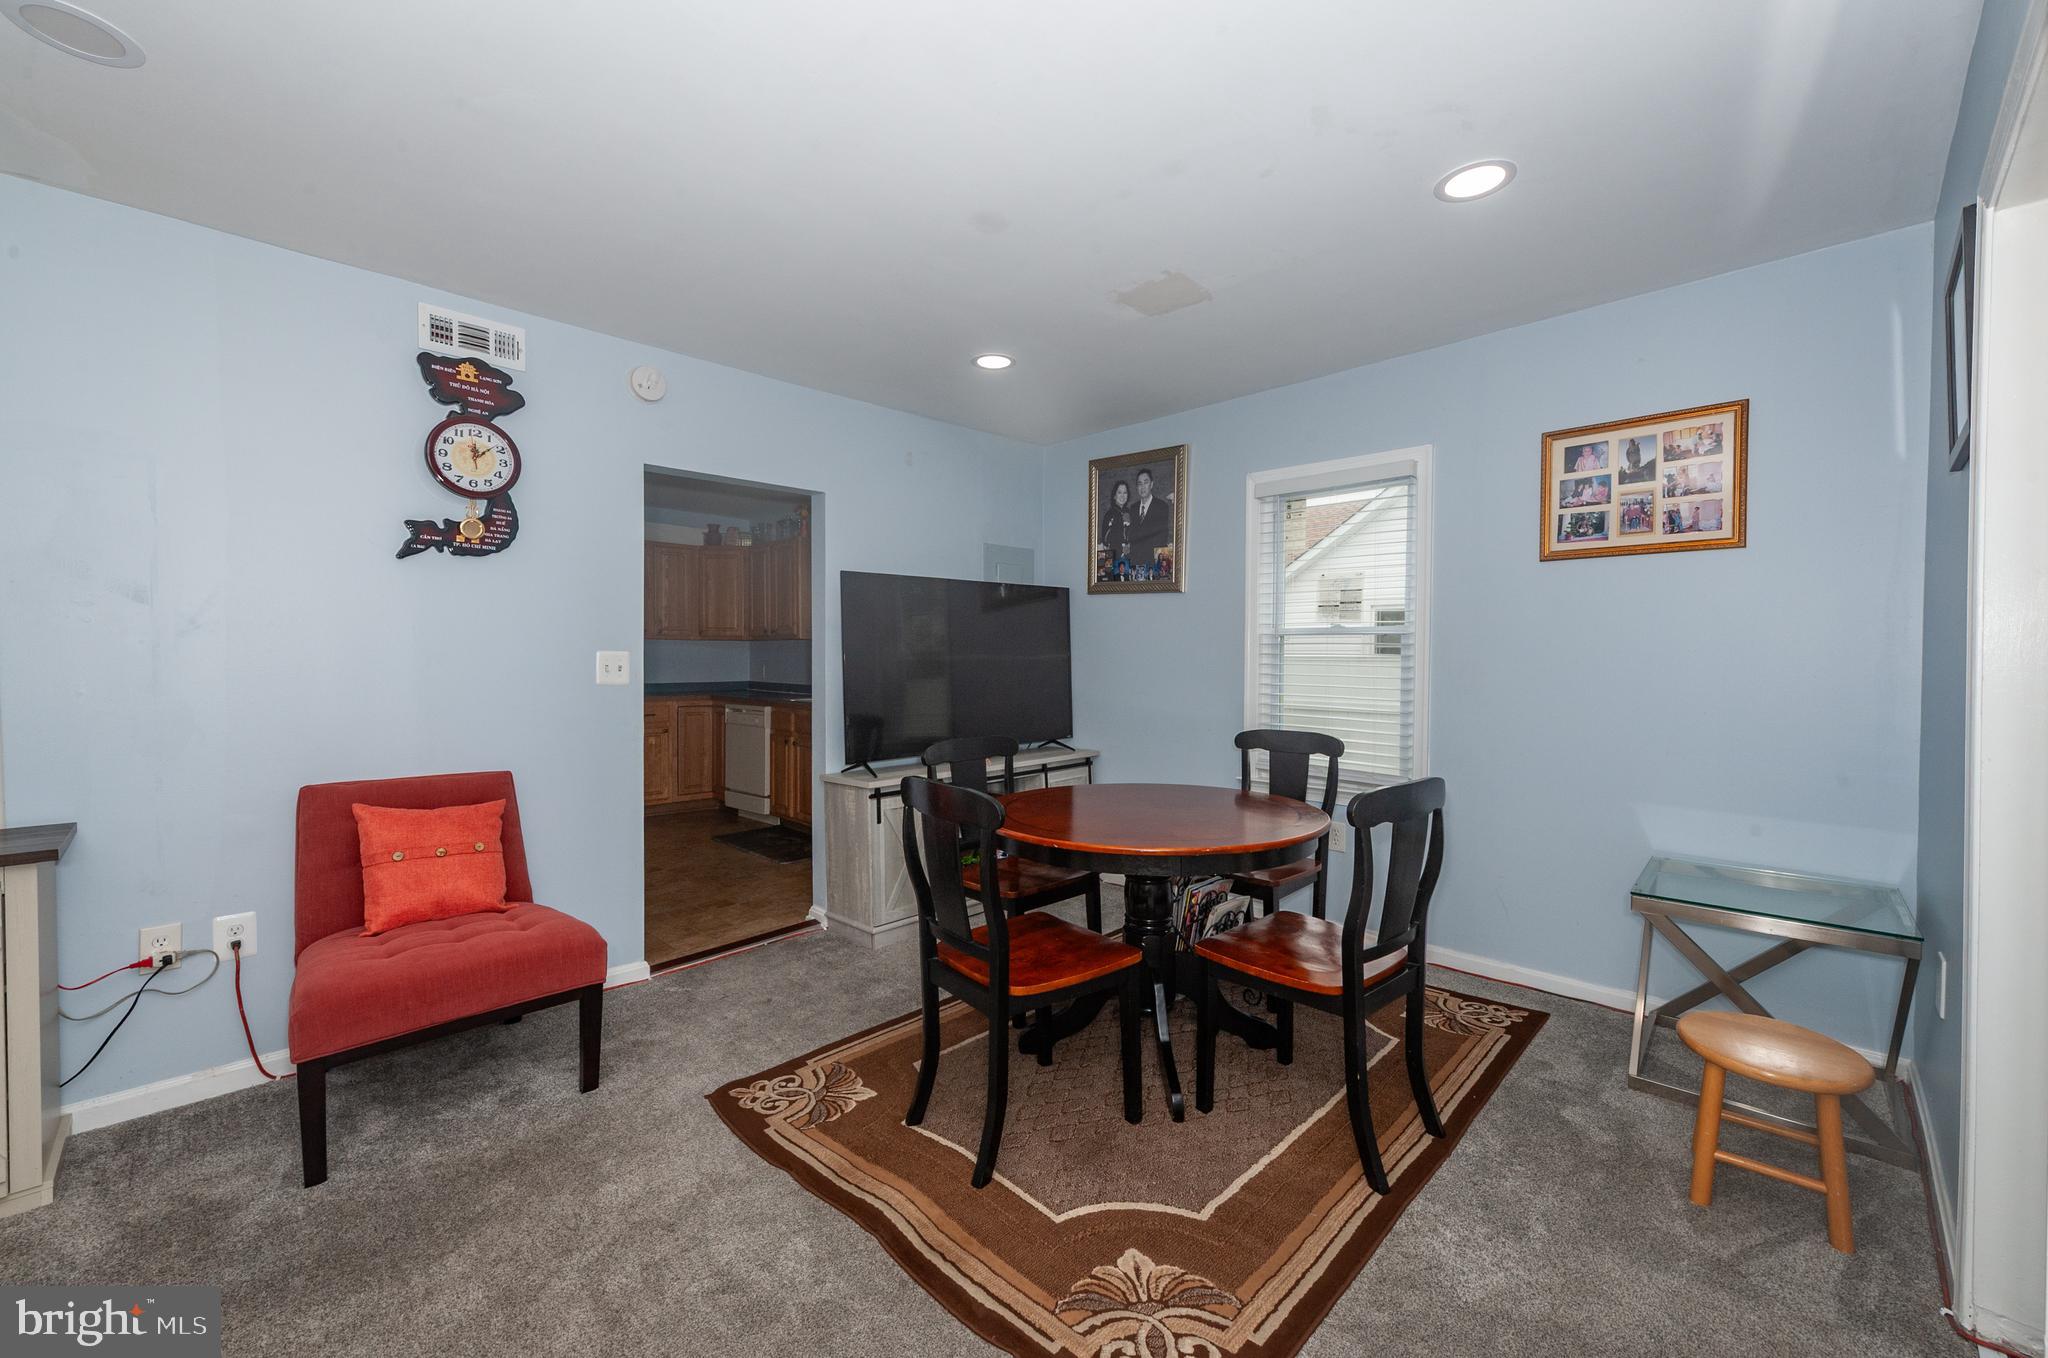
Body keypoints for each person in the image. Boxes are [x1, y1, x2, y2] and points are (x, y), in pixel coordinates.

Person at [1128, 466, 1173, 564]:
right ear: (1137, 487)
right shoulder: (1133, 508)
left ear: (1151, 484)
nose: (1142, 487)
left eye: (1146, 482)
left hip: (1152, 562)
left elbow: (1161, 538)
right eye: (1139, 484)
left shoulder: (1162, 506)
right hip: (1135, 562)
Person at [1099, 479, 1133, 573]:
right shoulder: (1109, 515)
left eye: (1125, 493)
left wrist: (1129, 545)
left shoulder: (1130, 513)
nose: (1122, 495)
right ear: (1114, 495)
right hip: (1113, 556)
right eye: (1119, 492)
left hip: (1130, 556)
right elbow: (1105, 540)